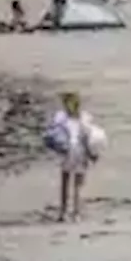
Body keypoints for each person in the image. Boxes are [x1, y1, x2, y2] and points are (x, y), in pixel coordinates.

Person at [44, 92, 101, 222]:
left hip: (71, 151)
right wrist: (92, 154)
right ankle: (73, 212)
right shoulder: (83, 118)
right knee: (75, 184)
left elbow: (53, 134)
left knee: (69, 183)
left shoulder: (62, 118)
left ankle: (67, 212)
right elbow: (89, 138)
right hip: (77, 152)